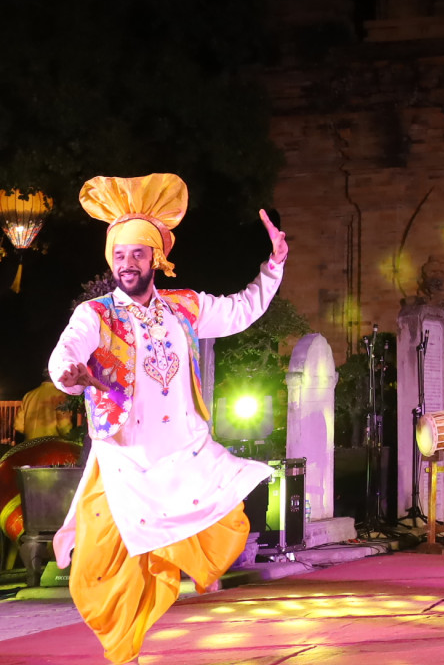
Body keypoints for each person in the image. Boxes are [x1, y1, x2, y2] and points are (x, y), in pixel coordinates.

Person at [46, 174, 287, 664]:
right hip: (124, 461)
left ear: (155, 258)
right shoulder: (96, 314)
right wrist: (70, 375)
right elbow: (65, 354)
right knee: (94, 567)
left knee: (228, 520)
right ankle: (125, 649)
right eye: (119, 255)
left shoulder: (184, 308)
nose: (127, 264)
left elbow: (242, 309)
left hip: (182, 454)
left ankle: (171, 597)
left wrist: (274, 266)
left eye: (137, 254)